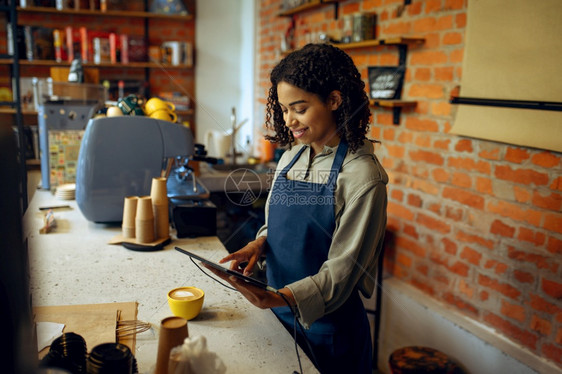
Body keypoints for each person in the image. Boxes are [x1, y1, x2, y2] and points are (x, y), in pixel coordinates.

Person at [210, 43, 388, 373]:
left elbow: (342, 272)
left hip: (328, 331)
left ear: (334, 101)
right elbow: (277, 225)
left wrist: (284, 298)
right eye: (284, 108)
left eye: (300, 108)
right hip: (277, 314)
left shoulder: (363, 176)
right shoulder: (292, 155)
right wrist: (259, 243)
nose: (289, 120)